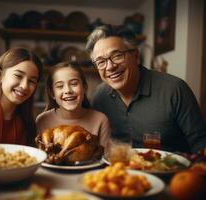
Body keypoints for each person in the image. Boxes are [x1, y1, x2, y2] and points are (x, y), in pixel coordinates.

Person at [86, 24, 206, 153]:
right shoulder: (99, 97)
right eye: (101, 62)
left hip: (171, 171)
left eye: (117, 56)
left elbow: (200, 143)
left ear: (136, 56)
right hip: (119, 171)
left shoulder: (174, 89)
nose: (109, 67)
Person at [36, 62, 110, 148]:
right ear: (52, 93)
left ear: (85, 87)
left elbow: (106, 158)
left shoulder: (100, 120)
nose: (68, 90)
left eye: (74, 84)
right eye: (60, 86)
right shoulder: (42, 120)